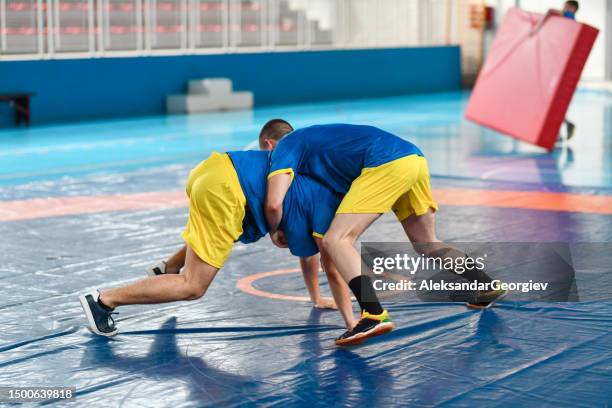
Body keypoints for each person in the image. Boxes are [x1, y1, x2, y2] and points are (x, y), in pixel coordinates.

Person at [265, 123, 506, 346]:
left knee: (336, 240)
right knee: (427, 243)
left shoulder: (285, 146)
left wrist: (275, 230)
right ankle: (487, 285)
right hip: (413, 158)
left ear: (268, 145)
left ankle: (373, 314)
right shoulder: (317, 145)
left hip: (384, 162)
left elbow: (275, 203)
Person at [79, 148, 356, 336]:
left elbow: (310, 256)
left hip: (214, 168)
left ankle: (167, 269)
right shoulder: (328, 212)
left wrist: (316, 298)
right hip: (225, 190)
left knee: (226, 233)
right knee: (194, 287)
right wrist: (354, 323)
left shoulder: (322, 183)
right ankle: (103, 301)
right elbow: (327, 265)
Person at [146, 120, 337, 311]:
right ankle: (114, 299)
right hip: (222, 186)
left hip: (211, 170)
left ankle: (170, 265)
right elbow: (278, 210)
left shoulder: (298, 163)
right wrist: (274, 228)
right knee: (193, 286)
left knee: (235, 226)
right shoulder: (300, 168)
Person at [530, 1, 580, 140]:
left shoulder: (569, 17)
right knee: (549, 101)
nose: (563, 8)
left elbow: (551, 10)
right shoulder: (565, 22)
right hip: (557, 65)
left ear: (572, 8)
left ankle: (559, 130)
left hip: (560, 68)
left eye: (566, 6)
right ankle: (563, 126)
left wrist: (537, 28)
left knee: (551, 100)